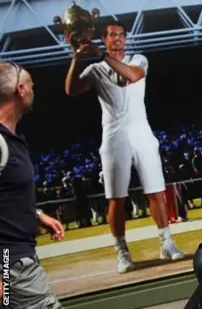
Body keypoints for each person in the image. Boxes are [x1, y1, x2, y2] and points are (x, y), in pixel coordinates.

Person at [63, 22, 184, 273]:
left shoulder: (138, 59)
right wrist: (76, 57)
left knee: (157, 192)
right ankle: (122, 252)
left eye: (120, 35)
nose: (117, 39)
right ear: (104, 39)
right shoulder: (96, 70)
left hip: (141, 131)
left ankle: (167, 243)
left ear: (125, 39)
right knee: (116, 198)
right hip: (113, 135)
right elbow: (71, 90)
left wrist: (101, 56)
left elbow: (132, 76)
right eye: (111, 35)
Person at [0, 61, 65, 308]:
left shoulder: (12, 140)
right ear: (20, 89)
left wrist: (36, 214)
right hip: (10, 264)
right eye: (30, 84)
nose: (33, 88)